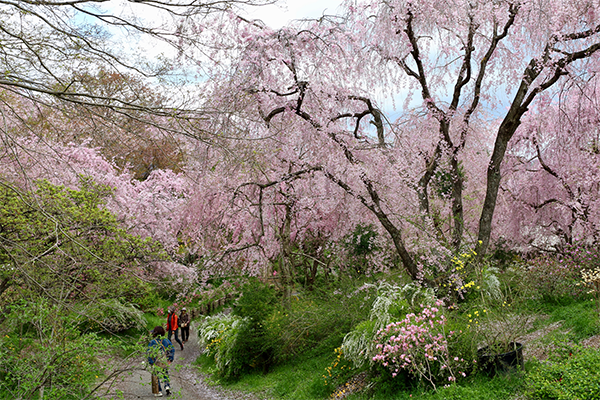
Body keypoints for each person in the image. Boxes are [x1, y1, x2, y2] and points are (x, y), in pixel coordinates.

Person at [147, 326, 174, 397]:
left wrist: (151, 362)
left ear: (155, 334)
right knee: (165, 373)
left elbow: (149, 352)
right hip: (164, 360)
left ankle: (159, 391)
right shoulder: (166, 340)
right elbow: (172, 349)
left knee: (156, 375)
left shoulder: (152, 342)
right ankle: (167, 386)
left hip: (156, 361)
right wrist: (170, 359)